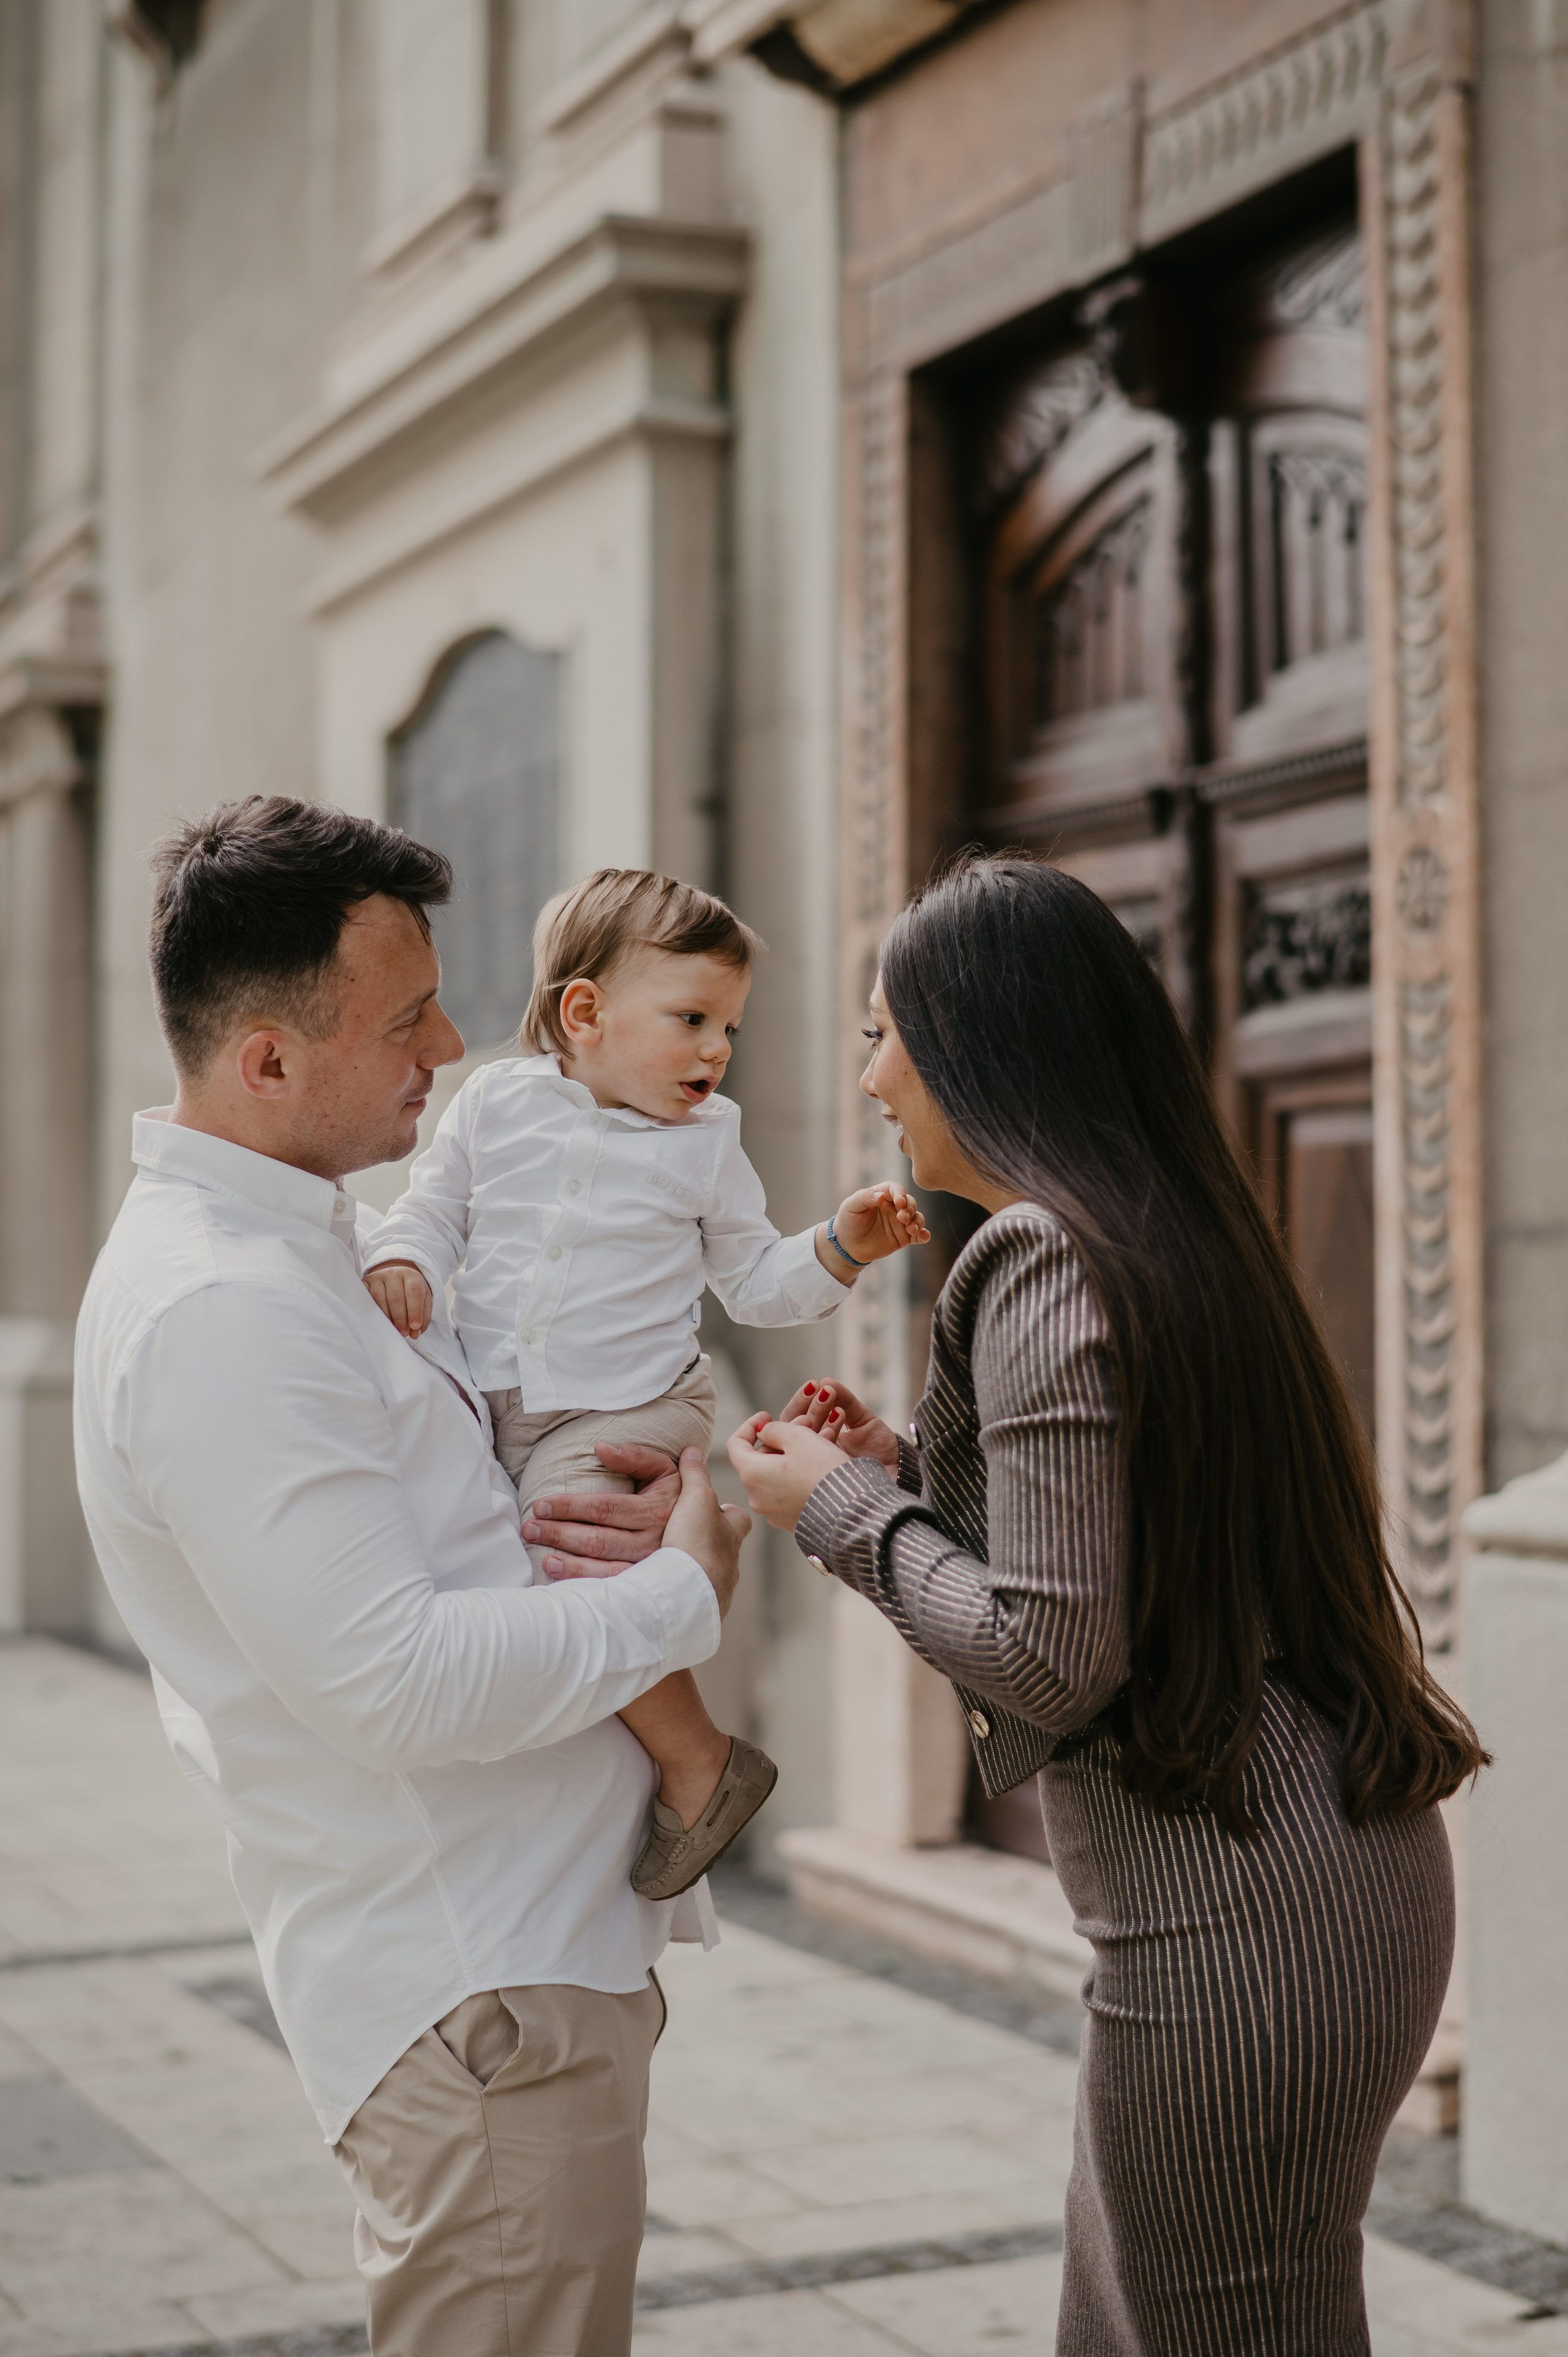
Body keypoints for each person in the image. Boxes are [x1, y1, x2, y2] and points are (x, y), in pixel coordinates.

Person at [726, 853, 1487, 2356]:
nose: (870, 1072)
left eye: (884, 1030)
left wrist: (837, 1510)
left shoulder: (1035, 1259)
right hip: (1303, 1879)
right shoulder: (1152, 1229)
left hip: (1239, 1918)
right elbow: (1130, 1564)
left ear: (977, 1042)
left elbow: (1048, 1652)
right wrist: (901, 1472)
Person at [73, 796, 748, 2357]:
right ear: (265, 1060)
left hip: (517, 1968)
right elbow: (388, 1680)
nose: (452, 1042)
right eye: (405, 1018)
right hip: (477, 2004)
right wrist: (680, 1589)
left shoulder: (317, 1246)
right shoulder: (218, 1310)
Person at [361, 867, 927, 1901]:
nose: (717, 1049)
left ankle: (698, 1761)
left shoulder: (708, 1143)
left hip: (627, 1404)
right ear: (585, 1013)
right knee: (503, 1570)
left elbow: (756, 1283)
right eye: (694, 1019)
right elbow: (434, 1205)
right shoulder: (496, 1101)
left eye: (731, 1029)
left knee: (574, 1561)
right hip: (494, 1400)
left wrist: (840, 1245)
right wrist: (406, 1258)